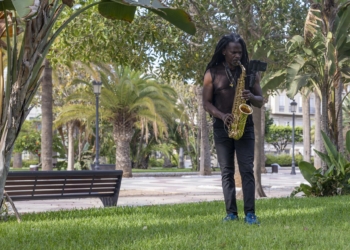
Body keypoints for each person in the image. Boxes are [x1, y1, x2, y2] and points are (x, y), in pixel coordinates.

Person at [202, 33, 263, 225]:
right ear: (224, 52)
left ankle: (250, 214)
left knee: (247, 170)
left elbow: (260, 101)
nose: (237, 55)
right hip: (222, 127)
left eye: (240, 52)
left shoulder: (250, 72)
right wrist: (222, 115)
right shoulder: (212, 72)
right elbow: (205, 103)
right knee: (226, 171)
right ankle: (231, 213)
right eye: (233, 52)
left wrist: (250, 97)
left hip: (245, 126)